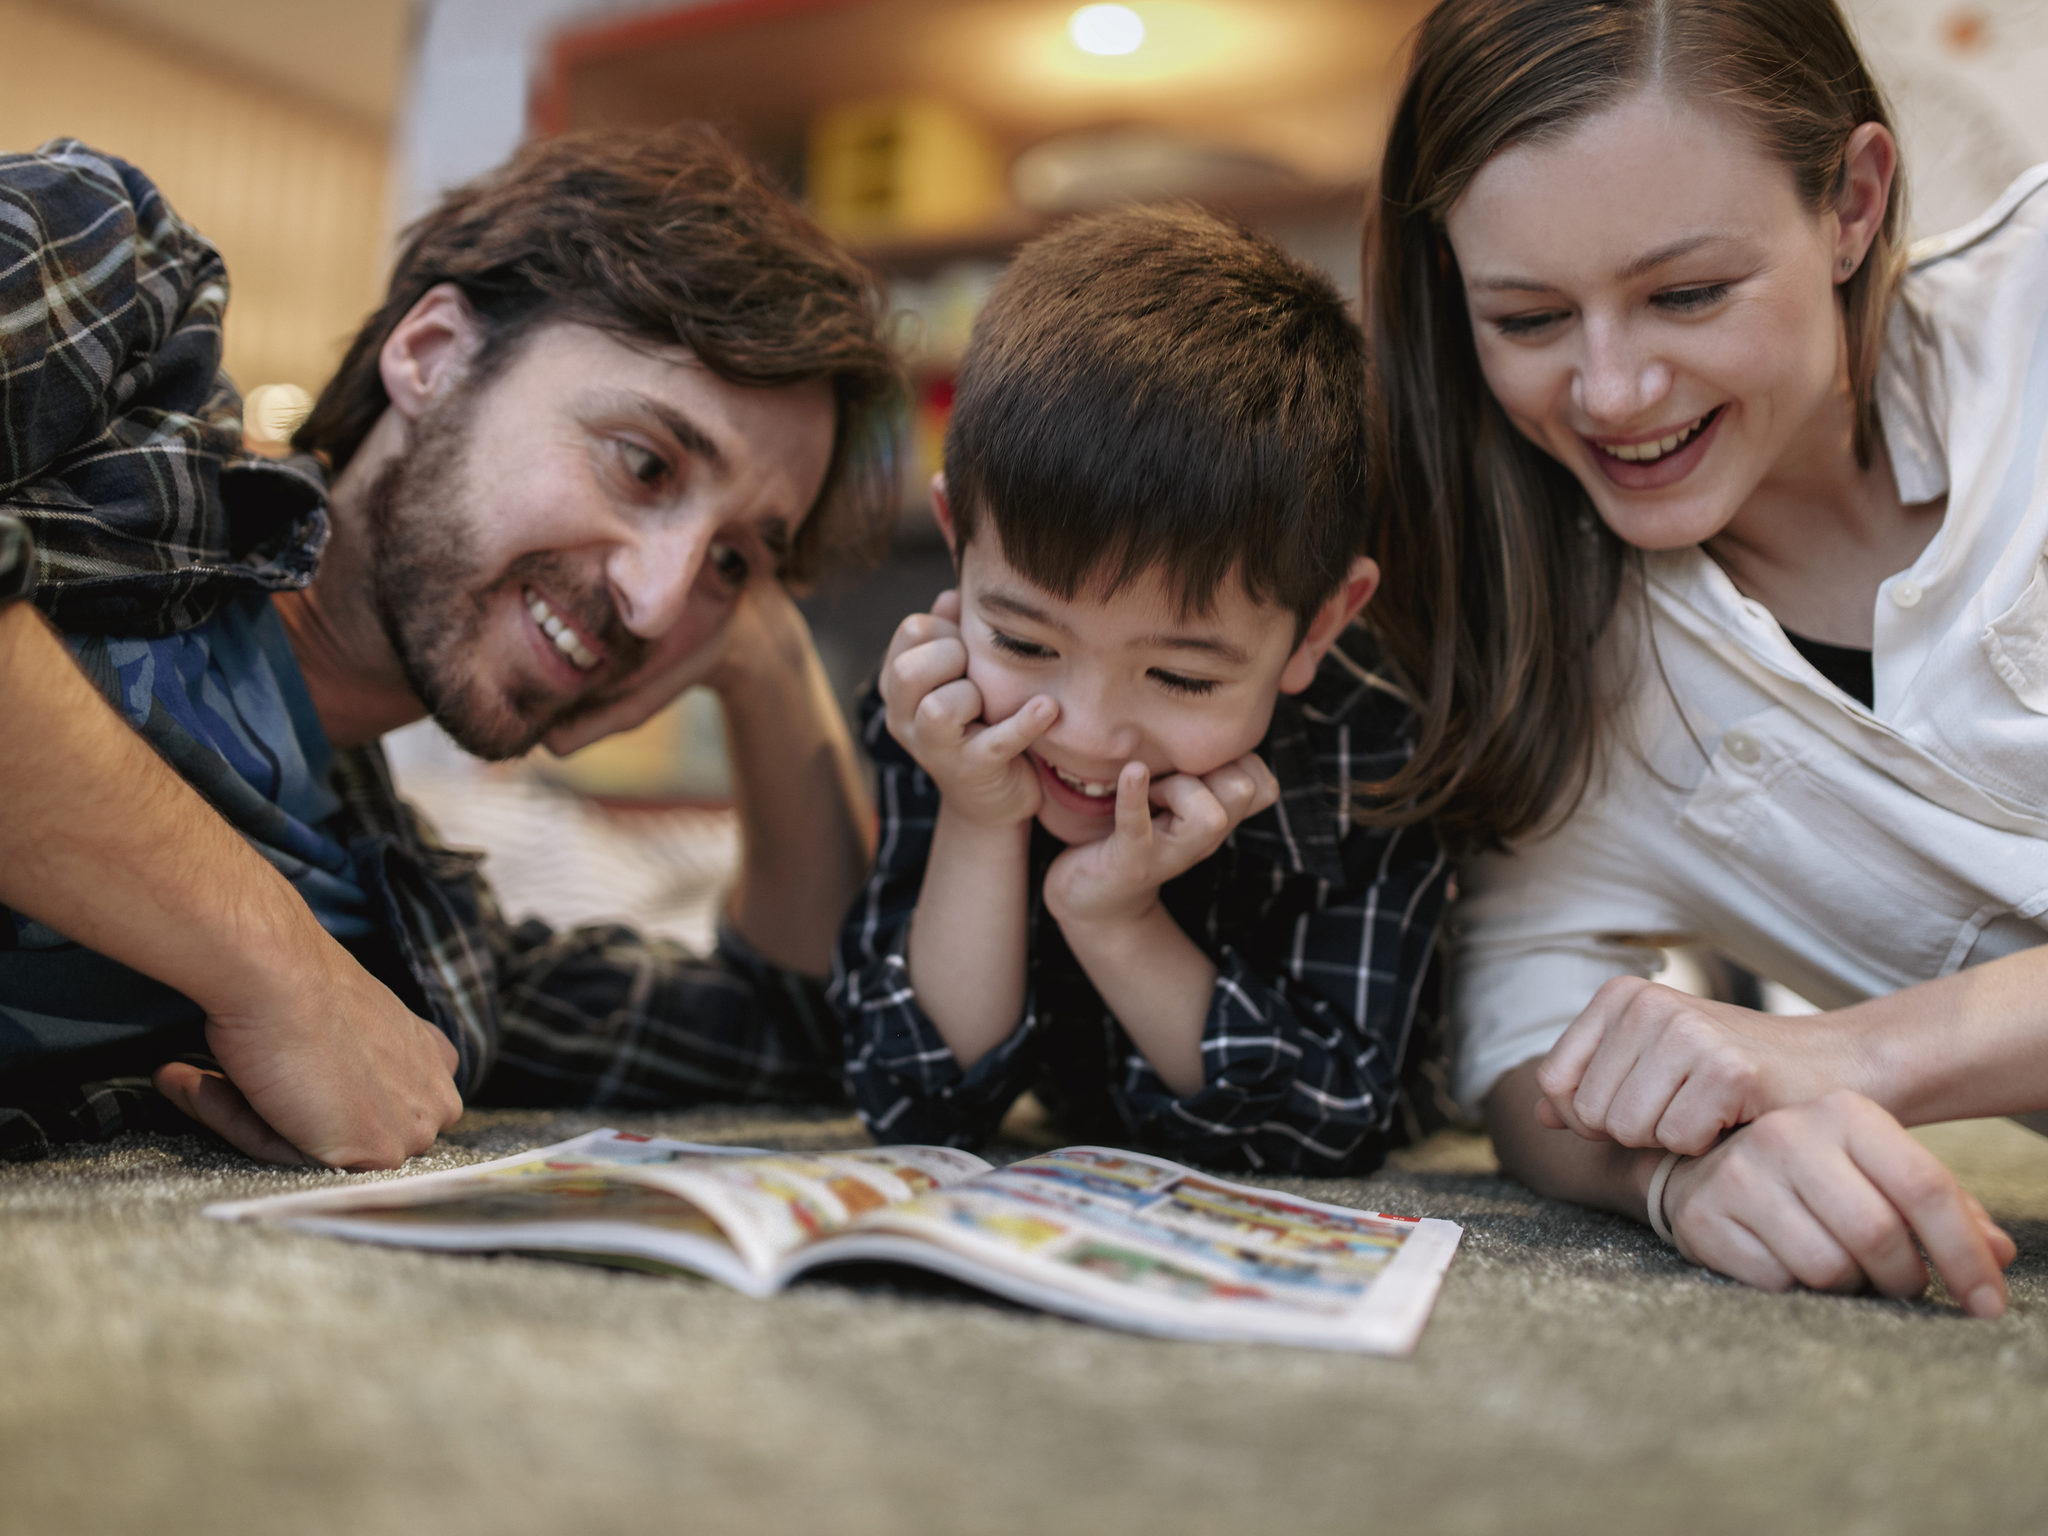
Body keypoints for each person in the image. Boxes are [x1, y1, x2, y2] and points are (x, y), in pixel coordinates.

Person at [0, 130, 898, 1166]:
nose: (656, 603)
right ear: (431, 355)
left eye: (730, 563)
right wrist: (274, 963)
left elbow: (810, 1029)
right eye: (643, 465)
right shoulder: (112, 275)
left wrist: (769, 661)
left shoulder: (418, 957)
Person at [1364, 0, 2043, 1314]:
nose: (1612, 392)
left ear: (1851, 202)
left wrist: (1849, 1055)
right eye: (1528, 319)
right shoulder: (1558, 661)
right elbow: (1521, 1035)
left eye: (1687, 294)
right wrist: (1688, 1172)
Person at [833, 206, 1450, 1172]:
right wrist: (979, 814)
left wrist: (1115, 920)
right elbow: (915, 1106)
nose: (1084, 732)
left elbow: (1331, 1119)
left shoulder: (1371, 746)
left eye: (1179, 675)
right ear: (956, 542)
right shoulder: (947, 710)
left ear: (1320, 624)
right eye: (1024, 640)